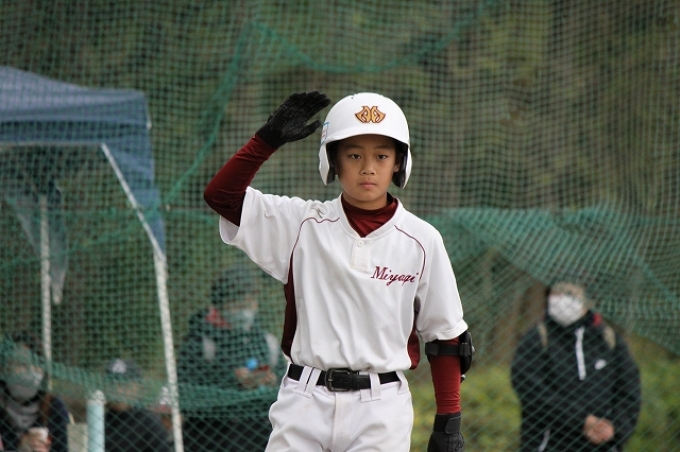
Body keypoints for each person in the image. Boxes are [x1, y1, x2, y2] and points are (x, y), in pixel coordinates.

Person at [203, 91, 472, 452]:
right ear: (333, 160)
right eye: (354, 155)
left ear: (399, 162)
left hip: (380, 408)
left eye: (382, 155)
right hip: (303, 401)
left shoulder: (422, 240)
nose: (368, 167)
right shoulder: (301, 223)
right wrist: (265, 141)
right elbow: (221, 196)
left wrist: (448, 424)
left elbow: (447, 339)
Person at [511, 277, 641, 451]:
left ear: (587, 301)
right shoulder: (537, 339)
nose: (562, 299)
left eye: (570, 293)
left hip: (602, 445)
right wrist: (581, 421)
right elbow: (530, 389)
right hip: (548, 445)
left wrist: (615, 428)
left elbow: (629, 388)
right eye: (556, 293)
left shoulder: (608, 340)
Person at [177, 265, 284, 451]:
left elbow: (285, 393)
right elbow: (186, 398)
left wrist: (270, 382)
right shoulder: (200, 342)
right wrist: (234, 381)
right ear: (221, 305)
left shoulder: (267, 343)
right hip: (209, 441)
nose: (245, 311)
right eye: (237, 304)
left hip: (257, 441)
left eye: (249, 303)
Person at [0, 331, 69, 452]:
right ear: (4, 370)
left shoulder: (54, 407)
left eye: (36, 365)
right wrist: (20, 447)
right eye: (21, 364)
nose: (30, 371)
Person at [103, 358, 171, 452]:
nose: (118, 390)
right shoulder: (100, 422)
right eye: (112, 384)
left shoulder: (149, 424)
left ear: (138, 388)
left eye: (124, 385)